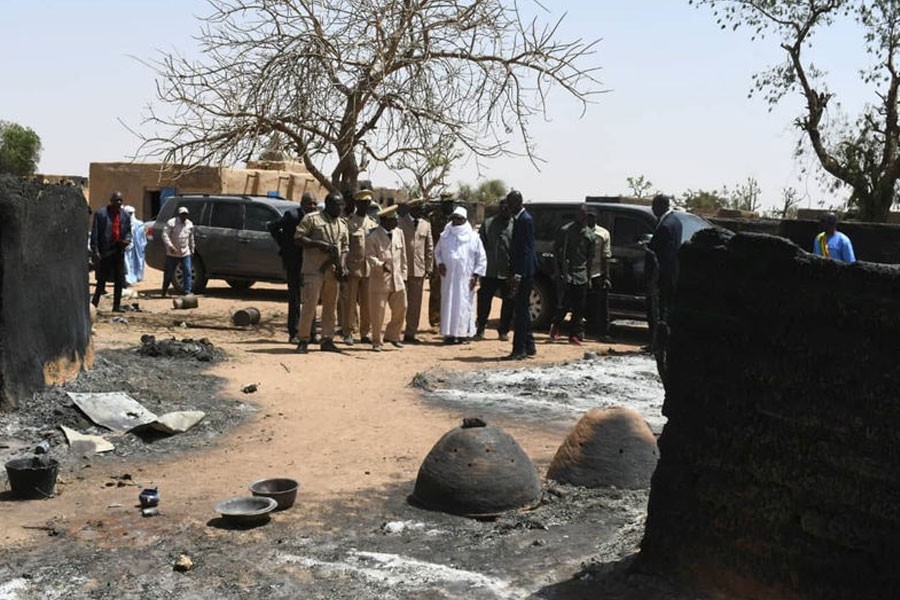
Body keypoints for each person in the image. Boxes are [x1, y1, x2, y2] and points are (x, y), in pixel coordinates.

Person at [295, 192, 349, 353]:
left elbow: (345, 247)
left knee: (330, 307)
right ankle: (303, 340)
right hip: (314, 269)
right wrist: (319, 244)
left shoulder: (342, 224)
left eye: (341, 205)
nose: (339, 208)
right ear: (328, 205)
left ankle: (327, 339)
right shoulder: (312, 219)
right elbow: (298, 238)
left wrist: (343, 265)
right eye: (336, 205)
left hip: (333, 271)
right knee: (309, 305)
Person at [268, 192, 318, 344]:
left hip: (310, 262)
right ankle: (294, 332)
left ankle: (311, 332)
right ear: (302, 204)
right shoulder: (292, 216)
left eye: (315, 203)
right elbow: (272, 227)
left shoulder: (317, 218)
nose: (313, 206)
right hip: (294, 262)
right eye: (310, 203)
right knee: (295, 297)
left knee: (311, 296)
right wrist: (286, 245)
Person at [434, 206, 487, 344]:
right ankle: (449, 335)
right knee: (448, 304)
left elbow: (481, 258)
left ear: (464, 220)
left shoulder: (473, 237)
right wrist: (440, 263)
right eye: (454, 218)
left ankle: (462, 334)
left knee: (464, 305)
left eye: (459, 219)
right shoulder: (445, 235)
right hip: (448, 278)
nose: (456, 221)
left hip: (466, 279)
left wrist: (476, 275)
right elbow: (437, 252)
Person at [549, 205, 595, 345]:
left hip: (581, 274)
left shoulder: (590, 235)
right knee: (564, 303)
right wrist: (557, 269)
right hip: (567, 272)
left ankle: (574, 335)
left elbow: (590, 258)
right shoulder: (566, 231)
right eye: (579, 214)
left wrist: (589, 276)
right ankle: (556, 324)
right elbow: (556, 250)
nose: (581, 217)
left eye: (584, 215)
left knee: (579, 307)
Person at [366, 204, 408, 352]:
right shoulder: (372, 236)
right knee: (378, 312)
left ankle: (393, 335)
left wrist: (404, 275)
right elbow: (370, 257)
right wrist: (380, 265)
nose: (396, 222)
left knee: (401, 308)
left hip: (397, 279)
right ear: (384, 221)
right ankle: (377, 341)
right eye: (394, 220)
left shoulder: (399, 233)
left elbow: (403, 257)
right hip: (380, 280)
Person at [342, 188, 379, 345]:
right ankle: (348, 332)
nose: (365, 205)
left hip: (369, 269)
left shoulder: (373, 223)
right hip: (353, 268)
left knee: (367, 303)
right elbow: (344, 245)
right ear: (357, 203)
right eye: (362, 202)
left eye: (367, 202)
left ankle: (365, 332)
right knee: (349, 302)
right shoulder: (349, 222)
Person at [475, 197, 514, 340]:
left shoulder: (514, 225)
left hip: (507, 272)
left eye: (508, 206)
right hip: (489, 270)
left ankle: (503, 330)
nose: (505, 209)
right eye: (502, 206)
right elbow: (479, 247)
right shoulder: (488, 223)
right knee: (484, 301)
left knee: (509, 302)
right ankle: (480, 328)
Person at [505, 190, 537, 360]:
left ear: (517, 203)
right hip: (522, 269)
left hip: (524, 271)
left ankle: (519, 350)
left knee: (521, 311)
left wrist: (517, 274)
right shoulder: (519, 220)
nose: (508, 207)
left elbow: (525, 249)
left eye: (510, 203)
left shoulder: (525, 220)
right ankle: (530, 345)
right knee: (522, 308)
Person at [397, 198, 433, 344]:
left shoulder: (426, 224)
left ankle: (410, 334)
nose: (422, 211)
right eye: (419, 208)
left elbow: (429, 247)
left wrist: (429, 267)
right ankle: (394, 334)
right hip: (401, 269)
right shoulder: (400, 222)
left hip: (418, 270)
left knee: (415, 304)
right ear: (412, 209)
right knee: (400, 303)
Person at [90, 191, 133, 312]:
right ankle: (94, 304)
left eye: (120, 200)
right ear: (111, 201)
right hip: (105, 250)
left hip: (118, 250)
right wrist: (95, 250)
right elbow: (95, 233)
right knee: (101, 280)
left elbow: (128, 231)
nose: (118, 203)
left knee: (119, 279)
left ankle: (116, 305)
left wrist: (127, 240)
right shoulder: (101, 214)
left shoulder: (125, 215)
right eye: (116, 200)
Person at [646, 194, 683, 328]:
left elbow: (660, 251)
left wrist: (647, 247)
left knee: (658, 309)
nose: (653, 209)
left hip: (662, 273)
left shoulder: (665, 226)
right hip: (671, 272)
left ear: (660, 206)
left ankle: (656, 343)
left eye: (654, 206)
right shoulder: (675, 221)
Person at [428, 193, 456, 330]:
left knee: (452, 289)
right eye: (446, 203)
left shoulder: (457, 218)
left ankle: (449, 319)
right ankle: (435, 320)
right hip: (437, 256)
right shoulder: (433, 217)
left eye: (450, 202)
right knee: (436, 289)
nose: (448, 205)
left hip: (453, 257)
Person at [586, 211, 612, 341]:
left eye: (593, 216)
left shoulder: (603, 234)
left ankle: (604, 332)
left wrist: (606, 277)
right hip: (582, 273)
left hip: (597, 272)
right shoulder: (580, 232)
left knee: (602, 304)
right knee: (581, 303)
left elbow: (606, 256)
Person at [161, 206, 196, 298]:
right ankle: (164, 291)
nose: (184, 216)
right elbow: (165, 235)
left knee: (187, 271)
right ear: (179, 215)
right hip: (173, 253)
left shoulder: (189, 224)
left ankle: (187, 291)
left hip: (185, 252)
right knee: (169, 273)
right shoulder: (171, 223)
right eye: (182, 214)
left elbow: (191, 237)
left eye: (185, 214)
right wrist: (170, 246)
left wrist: (192, 249)